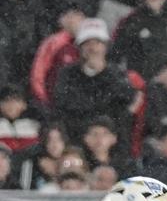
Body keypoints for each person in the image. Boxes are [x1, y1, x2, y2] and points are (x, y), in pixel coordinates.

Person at [53, 18, 138, 148]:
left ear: (105, 46)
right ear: (80, 48)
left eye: (97, 43)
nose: (92, 48)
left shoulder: (117, 74)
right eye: (87, 43)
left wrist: (103, 73)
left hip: (110, 142)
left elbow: (126, 103)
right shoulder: (67, 74)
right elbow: (66, 106)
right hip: (76, 140)